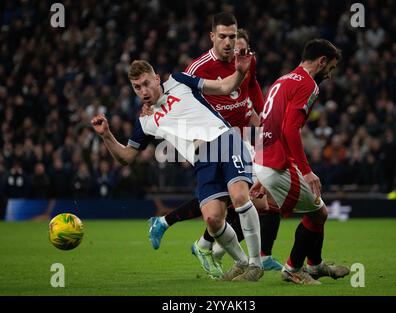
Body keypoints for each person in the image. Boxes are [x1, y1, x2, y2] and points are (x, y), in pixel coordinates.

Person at [91, 54, 264, 281]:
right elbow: (126, 157)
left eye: (146, 84)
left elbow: (223, 86)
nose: (143, 91)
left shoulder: (179, 81)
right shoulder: (145, 122)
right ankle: (241, 263)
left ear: (156, 78)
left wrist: (240, 72)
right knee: (212, 219)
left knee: (240, 195)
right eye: (136, 87)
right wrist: (106, 136)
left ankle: (256, 264)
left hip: (224, 139)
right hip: (202, 160)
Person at [148, 13, 283, 276]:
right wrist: (186, 143)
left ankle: (213, 246)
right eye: (223, 36)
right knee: (233, 201)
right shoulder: (197, 69)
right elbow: (178, 105)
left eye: (233, 37)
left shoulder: (246, 60)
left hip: (240, 136)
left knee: (252, 202)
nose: (230, 43)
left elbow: (251, 85)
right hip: (210, 140)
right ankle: (237, 254)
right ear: (213, 37)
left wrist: (260, 115)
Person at [251, 39, 350, 284]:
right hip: (276, 163)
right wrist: (306, 171)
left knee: (317, 212)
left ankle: (314, 264)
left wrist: (262, 173)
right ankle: (293, 268)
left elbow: (268, 123)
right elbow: (289, 130)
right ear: (322, 61)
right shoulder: (308, 85)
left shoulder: (282, 80)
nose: (329, 75)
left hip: (266, 158)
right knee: (319, 213)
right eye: (331, 68)